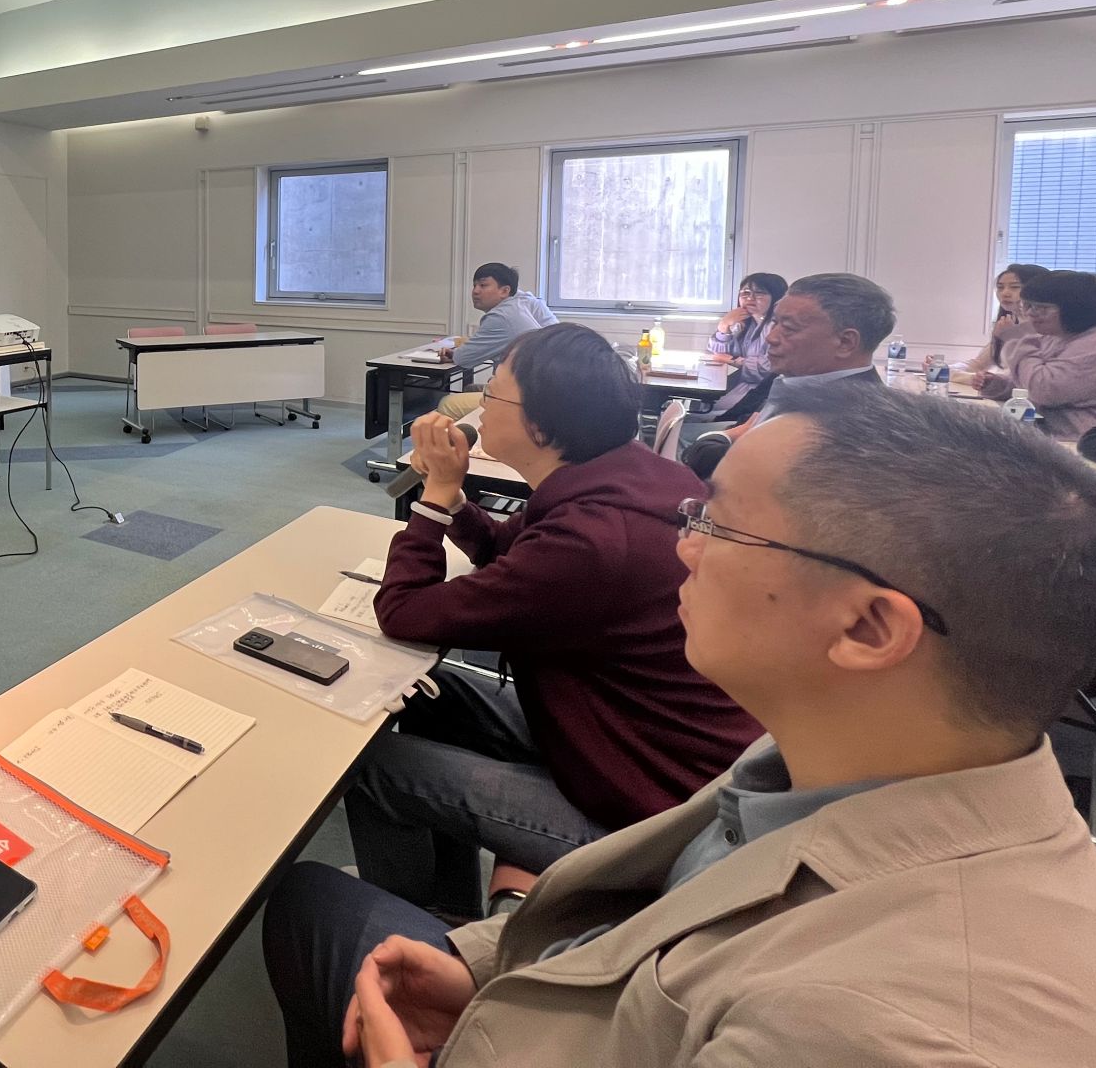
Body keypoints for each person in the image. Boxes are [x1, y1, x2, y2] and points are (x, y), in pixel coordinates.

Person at [266, 387, 1096, 1067]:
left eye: (719, 524)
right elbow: (667, 912)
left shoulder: (873, 1030)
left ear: (867, 628)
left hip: (596, 812)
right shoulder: (834, 754)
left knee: (309, 902)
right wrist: (488, 961)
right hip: (558, 956)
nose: (683, 548)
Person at [355, 324, 762, 922]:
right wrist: (460, 502)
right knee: (425, 694)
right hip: (620, 733)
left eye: (492, 393)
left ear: (540, 428)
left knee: (373, 769)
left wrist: (436, 494)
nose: (480, 407)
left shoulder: (590, 542)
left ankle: (418, 930)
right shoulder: (634, 475)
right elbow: (504, 550)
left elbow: (403, 613)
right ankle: (447, 899)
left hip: (650, 812)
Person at [678, 272, 893, 472]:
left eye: (789, 328)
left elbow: (736, 468)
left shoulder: (846, 418)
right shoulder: (800, 380)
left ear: (845, 342)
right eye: (775, 323)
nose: (771, 337)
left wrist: (718, 439)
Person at [979, 268, 1096, 438]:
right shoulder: (1061, 334)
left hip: (1085, 442)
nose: (1030, 313)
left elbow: (1044, 390)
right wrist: (998, 385)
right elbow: (1031, 381)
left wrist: (1017, 339)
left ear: (1076, 309)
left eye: (1042, 308)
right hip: (1053, 434)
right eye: (1028, 306)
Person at [425, 264, 557, 422]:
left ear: (505, 291)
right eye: (474, 285)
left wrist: (455, 353)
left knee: (448, 404)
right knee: (471, 389)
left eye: (483, 285)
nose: (475, 291)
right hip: (542, 390)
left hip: (524, 396)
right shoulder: (525, 302)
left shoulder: (500, 317)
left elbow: (463, 358)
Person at [955, 262, 1049, 377]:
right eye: (1000, 287)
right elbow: (978, 364)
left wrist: (1011, 336)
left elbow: (1030, 376)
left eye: (1015, 287)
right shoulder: (1007, 323)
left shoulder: (1048, 329)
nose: (1005, 293)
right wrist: (943, 368)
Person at [705, 272, 786, 385]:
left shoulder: (779, 327)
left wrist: (733, 361)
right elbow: (716, 356)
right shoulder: (742, 322)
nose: (750, 298)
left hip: (764, 389)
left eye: (759, 293)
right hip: (739, 384)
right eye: (745, 293)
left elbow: (768, 369)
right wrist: (724, 327)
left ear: (777, 298)